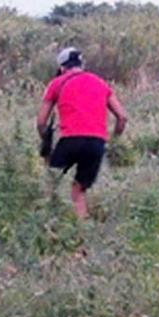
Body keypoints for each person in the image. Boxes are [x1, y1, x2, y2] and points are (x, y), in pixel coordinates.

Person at [36, 47, 128, 219]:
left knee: (51, 184)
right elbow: (122, 117)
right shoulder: (100, 82)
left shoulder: (57, 83)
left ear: (62, 68)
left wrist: (46, 143)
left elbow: (41, 122)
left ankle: (48, 226)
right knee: (79, 192)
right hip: (97, 143)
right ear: (82, 64)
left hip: (70, 140)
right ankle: (81, 236)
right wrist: (113, 141)